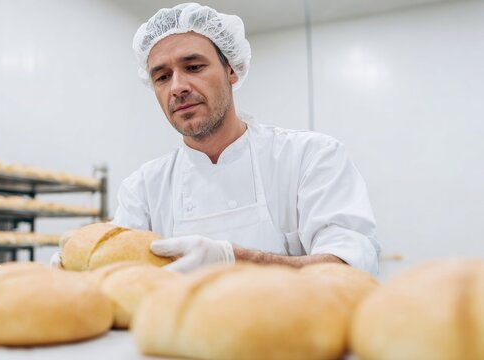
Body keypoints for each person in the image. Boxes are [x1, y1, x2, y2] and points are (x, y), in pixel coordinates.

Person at [109, 3, 381, 275]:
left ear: (231, 70)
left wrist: (235, 259)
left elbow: (351, 269)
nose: (177, 87)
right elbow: (115, 272)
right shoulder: (143, 189)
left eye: (193, 67)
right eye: (162, 77)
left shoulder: (310, 157)